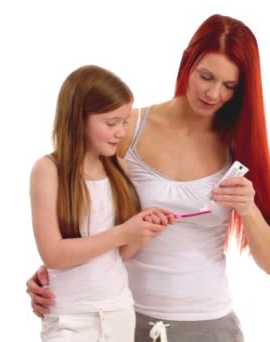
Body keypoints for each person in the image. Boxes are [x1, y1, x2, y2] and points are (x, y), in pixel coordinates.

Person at [27, 14, 270, 341]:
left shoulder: (239, 145)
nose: (213, 93)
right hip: (123, 321)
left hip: (209, 325)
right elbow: (79, 211)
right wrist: (54, 276)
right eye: (206, 76)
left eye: (229, 86)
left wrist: (248, 208)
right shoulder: (127, 129)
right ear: (186, 63)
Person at [30, 64, 173, 341]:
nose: (121, 132)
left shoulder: (119, 169)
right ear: (77, 119)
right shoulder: (48, 170)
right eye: (111, 123)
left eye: (124, 122)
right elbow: (53, 254)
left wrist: (142, 231)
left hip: (119, 311)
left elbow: (121, 254)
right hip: (69, 316)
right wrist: (122, 233)